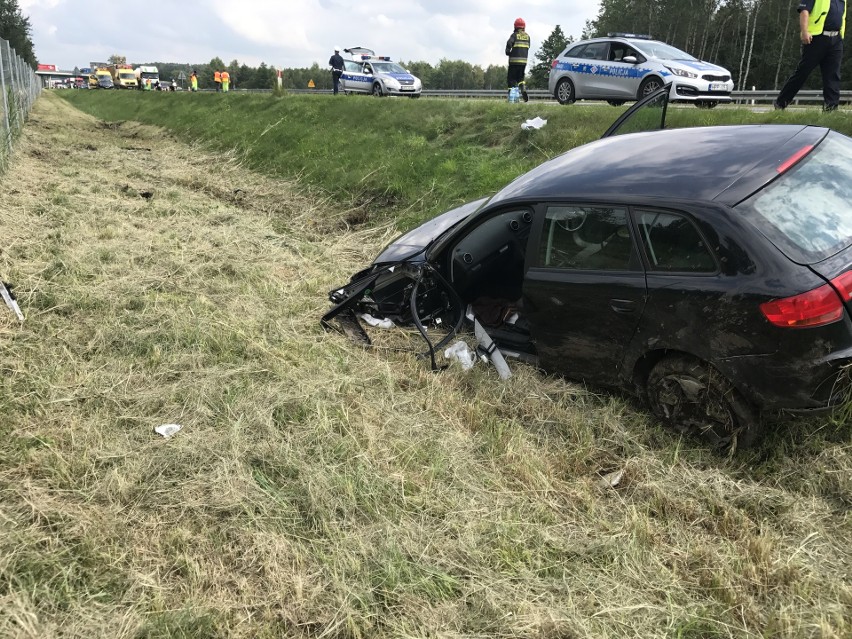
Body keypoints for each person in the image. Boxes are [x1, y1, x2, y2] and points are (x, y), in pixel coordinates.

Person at [774, 0, 846, 112]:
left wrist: (841, 37)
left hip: (836, 39)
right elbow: (804, 11)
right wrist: (804, 31)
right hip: (816, 38)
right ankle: (780, 103)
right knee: (803, 72)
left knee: (833, 76)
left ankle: (830, 110)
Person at [506, 17, 530, 102]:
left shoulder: (514, 35)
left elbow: (509, 43)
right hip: (523, 62)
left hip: (514, 62)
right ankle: (522, 88)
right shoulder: (527, 37)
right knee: (521, 79)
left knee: (511, 79)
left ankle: (512, 97)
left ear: (515, 26)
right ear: (524, 27)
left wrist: (508, 51)